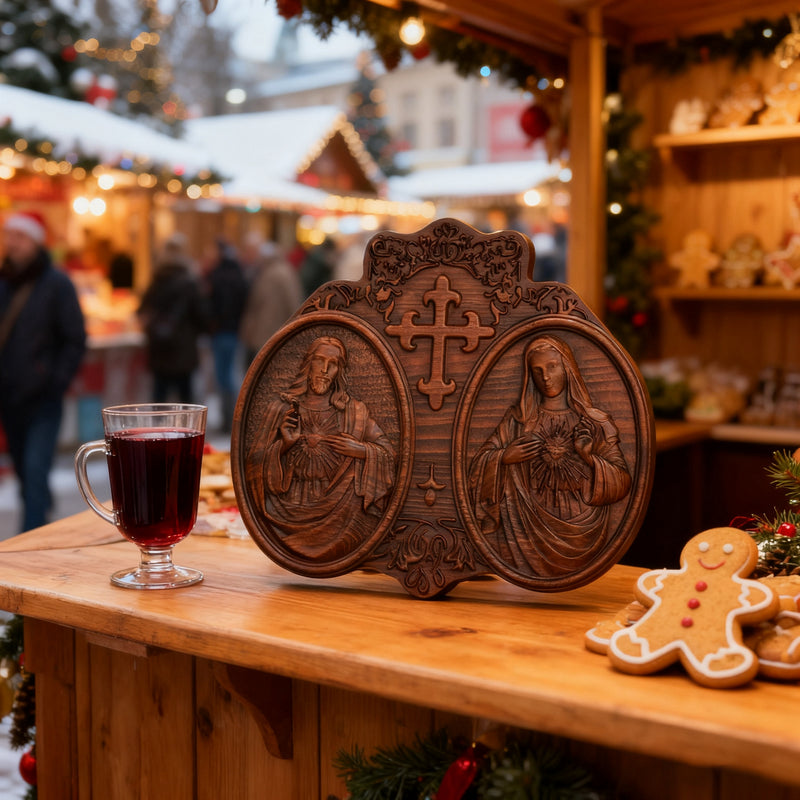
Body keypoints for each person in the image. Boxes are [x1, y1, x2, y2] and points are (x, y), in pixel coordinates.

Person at [468, 334, 631, 577]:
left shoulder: (596, 422)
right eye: (537, 370)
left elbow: (623, 481)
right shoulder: (517, 421)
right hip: (526, 529)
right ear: (530, 377)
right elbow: (476, 468)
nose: (545, 377)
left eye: (552, 367)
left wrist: (589, 458)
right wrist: (503, 457)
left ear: (567, 368)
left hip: (583, 529)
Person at [248, 336, 395, 561]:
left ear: (339, 371)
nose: (325, 369)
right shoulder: (279, 410)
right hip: (285, 510)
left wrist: (361, 450)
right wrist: (283, 447)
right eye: (319, 360)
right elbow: (252, 467)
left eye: (333, 363)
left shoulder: (354, 412)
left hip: (341, 513)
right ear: (307, 363)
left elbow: (388, 452)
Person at [0, 210, 86, 532]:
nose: (12, 243)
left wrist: (55, 382)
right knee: (24, 470)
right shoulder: (4, 282)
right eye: (8, 236)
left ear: (36, 241)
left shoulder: (57, 284)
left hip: (42, 398)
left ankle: (30, 541)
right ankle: (40, 509)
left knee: (35, 470)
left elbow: (74, 339)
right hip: (9, 396)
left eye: (19, 237)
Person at [138, 233, 207, 405]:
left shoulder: (156, 280)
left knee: (159, 401)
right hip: (184, 349)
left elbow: (142, 311)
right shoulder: (190, 282)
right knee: (186, 403)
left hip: (159, 348)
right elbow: (201, 317)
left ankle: (156, 431)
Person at [204, 239, 248, 431]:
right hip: (234, 330)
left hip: (221, 330)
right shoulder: (239, 274)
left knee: (224, 375)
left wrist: (213, 323)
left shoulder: (217, 276)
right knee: (230, 374)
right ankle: (233, 416)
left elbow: (213, 306)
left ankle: (228, 417)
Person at [239, 241, 303, 365]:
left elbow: (293, 304)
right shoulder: (269, 272)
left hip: (272, 332)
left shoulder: (279, 273)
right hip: (267, 332)